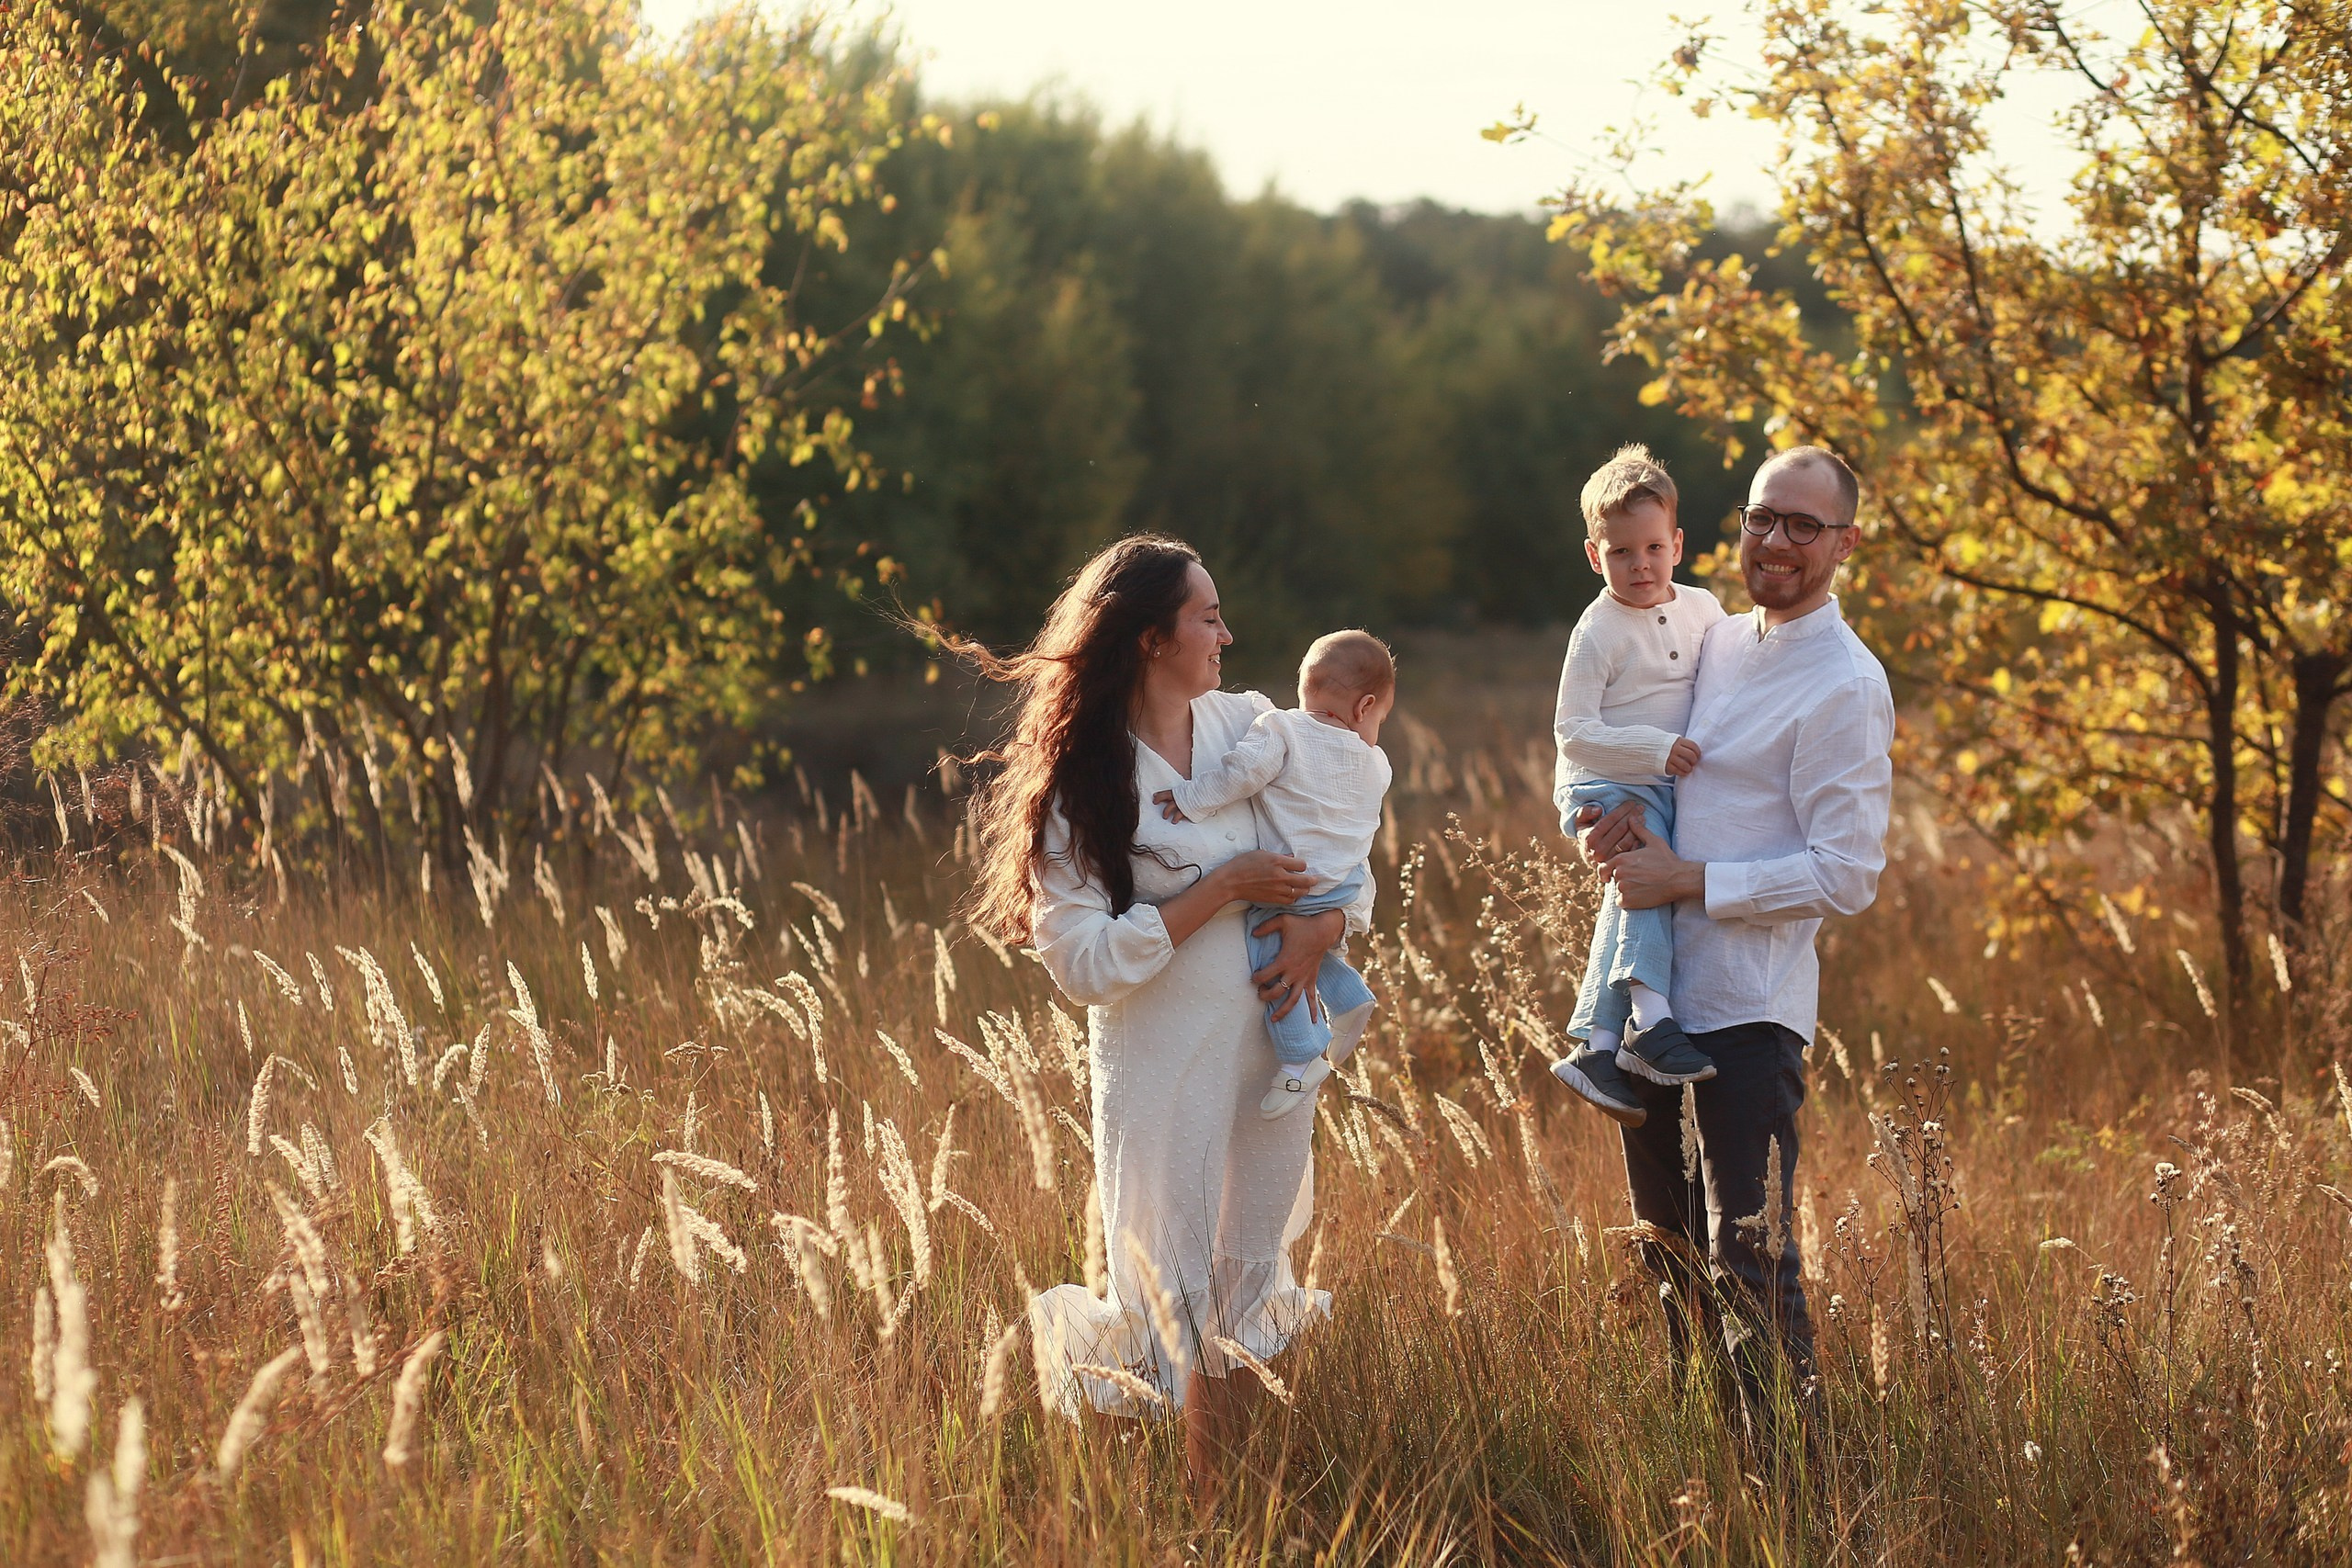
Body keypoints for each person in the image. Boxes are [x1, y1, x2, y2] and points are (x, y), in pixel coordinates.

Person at [953, 535, 1363, 1511]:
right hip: (1162, 1063)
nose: (1227, 633)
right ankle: (1142, 1504)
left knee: (1239, 1283)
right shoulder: (1084, 784)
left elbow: (1345, 850)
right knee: (1163, 1287)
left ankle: (1231, 1504)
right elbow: (1082, 965)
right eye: (1206, 617)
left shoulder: (1251, 728)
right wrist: (1217, 888)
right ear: (1148, 640)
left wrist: (1324, 929)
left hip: (1268, 1056)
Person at [1577, 446, 1894, 1436]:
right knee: (1667, 1258)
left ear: (1844, 542)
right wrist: (1604, 822)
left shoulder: (1845, 682)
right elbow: (1613, 736)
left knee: (1748, 1262)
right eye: (1764, 518)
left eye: (1804, 525)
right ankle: (1708, 1488)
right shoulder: (1710, 634)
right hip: (1652, 1010)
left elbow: (1846, 873)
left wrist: (1691, 879)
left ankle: (1792, 1497)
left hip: (1747, 1019)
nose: (1778, 542)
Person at [1547, 445, 1727, 1126]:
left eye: (1653, 546)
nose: (1641, 564)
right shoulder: (1598, 630)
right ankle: (1651, 1021)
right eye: (1621, 552)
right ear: (1596, 557)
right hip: (1607, 781)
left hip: (1654, 783)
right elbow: (1571, 730)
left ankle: (1597, 1047)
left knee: (1627, 900)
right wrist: (1657, 749)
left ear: (1678, 544)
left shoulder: (1705, 609)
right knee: (1649, 874)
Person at [1152, 629, 1394, 1119]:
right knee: (1305, 948)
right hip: (1342, 882)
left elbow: (1242, 774)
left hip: (1290, 880)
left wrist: (1190, 798)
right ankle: (1349, 998)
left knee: (1271, 951)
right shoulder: (1377, 762)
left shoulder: (1280, 728)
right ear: (1365, 706)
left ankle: (1300, 1057)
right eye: (1380, 720)